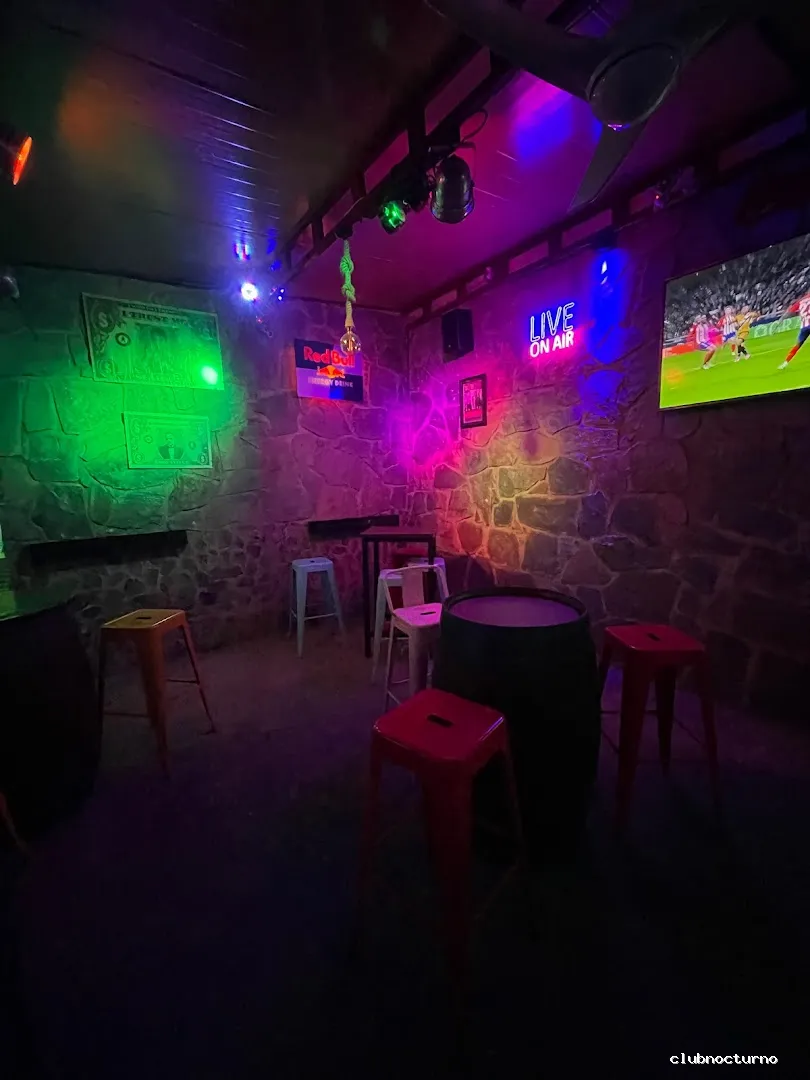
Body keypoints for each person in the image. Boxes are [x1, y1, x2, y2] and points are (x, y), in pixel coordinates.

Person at [778, 292, 810, 368]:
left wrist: (782, 318)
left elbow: (790, 311)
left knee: (797, 345)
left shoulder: (800, 301)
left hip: (804, 327)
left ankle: (785, 363)